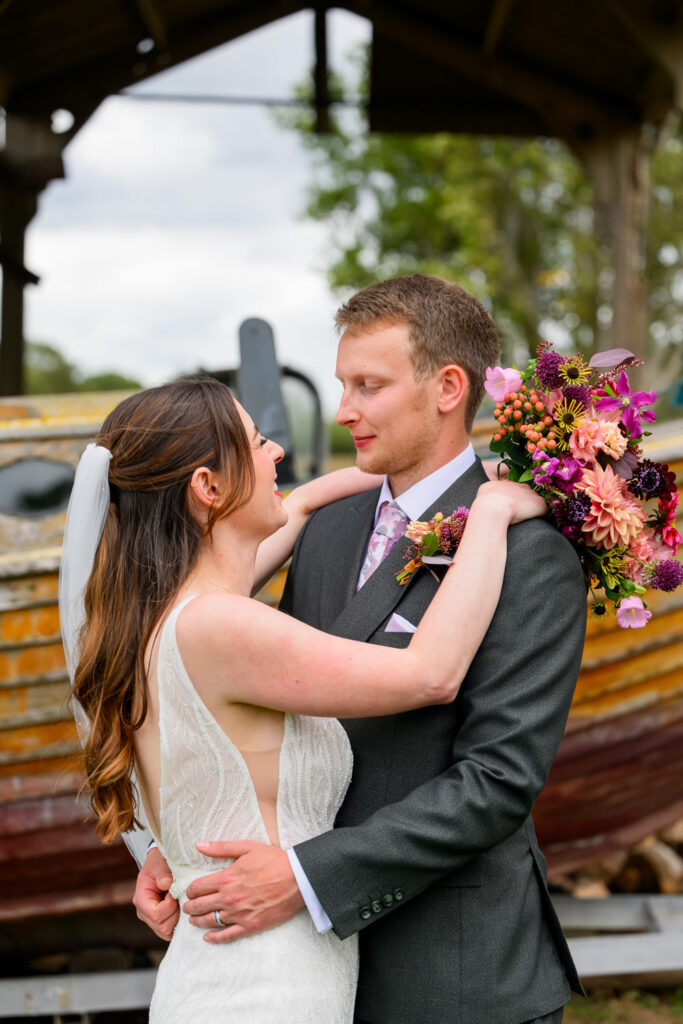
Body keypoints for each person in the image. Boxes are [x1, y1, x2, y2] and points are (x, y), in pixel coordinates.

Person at [135, 275, 588, 1024]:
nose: (344, 410)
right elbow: (261, 712)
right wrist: (180, 844)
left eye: (368, 386)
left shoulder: (527, 551)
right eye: (343, 383)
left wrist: (308, 877)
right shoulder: (322, 525)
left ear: (448, 387)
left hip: (449, 972)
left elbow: (497, 782)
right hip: (296, 963)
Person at [61, 373, 547, 1024]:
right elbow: (430, 674)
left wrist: (460, 478)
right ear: (207, 488)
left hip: (224, 968)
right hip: (266, 984)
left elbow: (301, 503)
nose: (278, 455)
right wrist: (487, 513)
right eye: (258, 441)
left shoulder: (142, 623)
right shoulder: (220, 626)